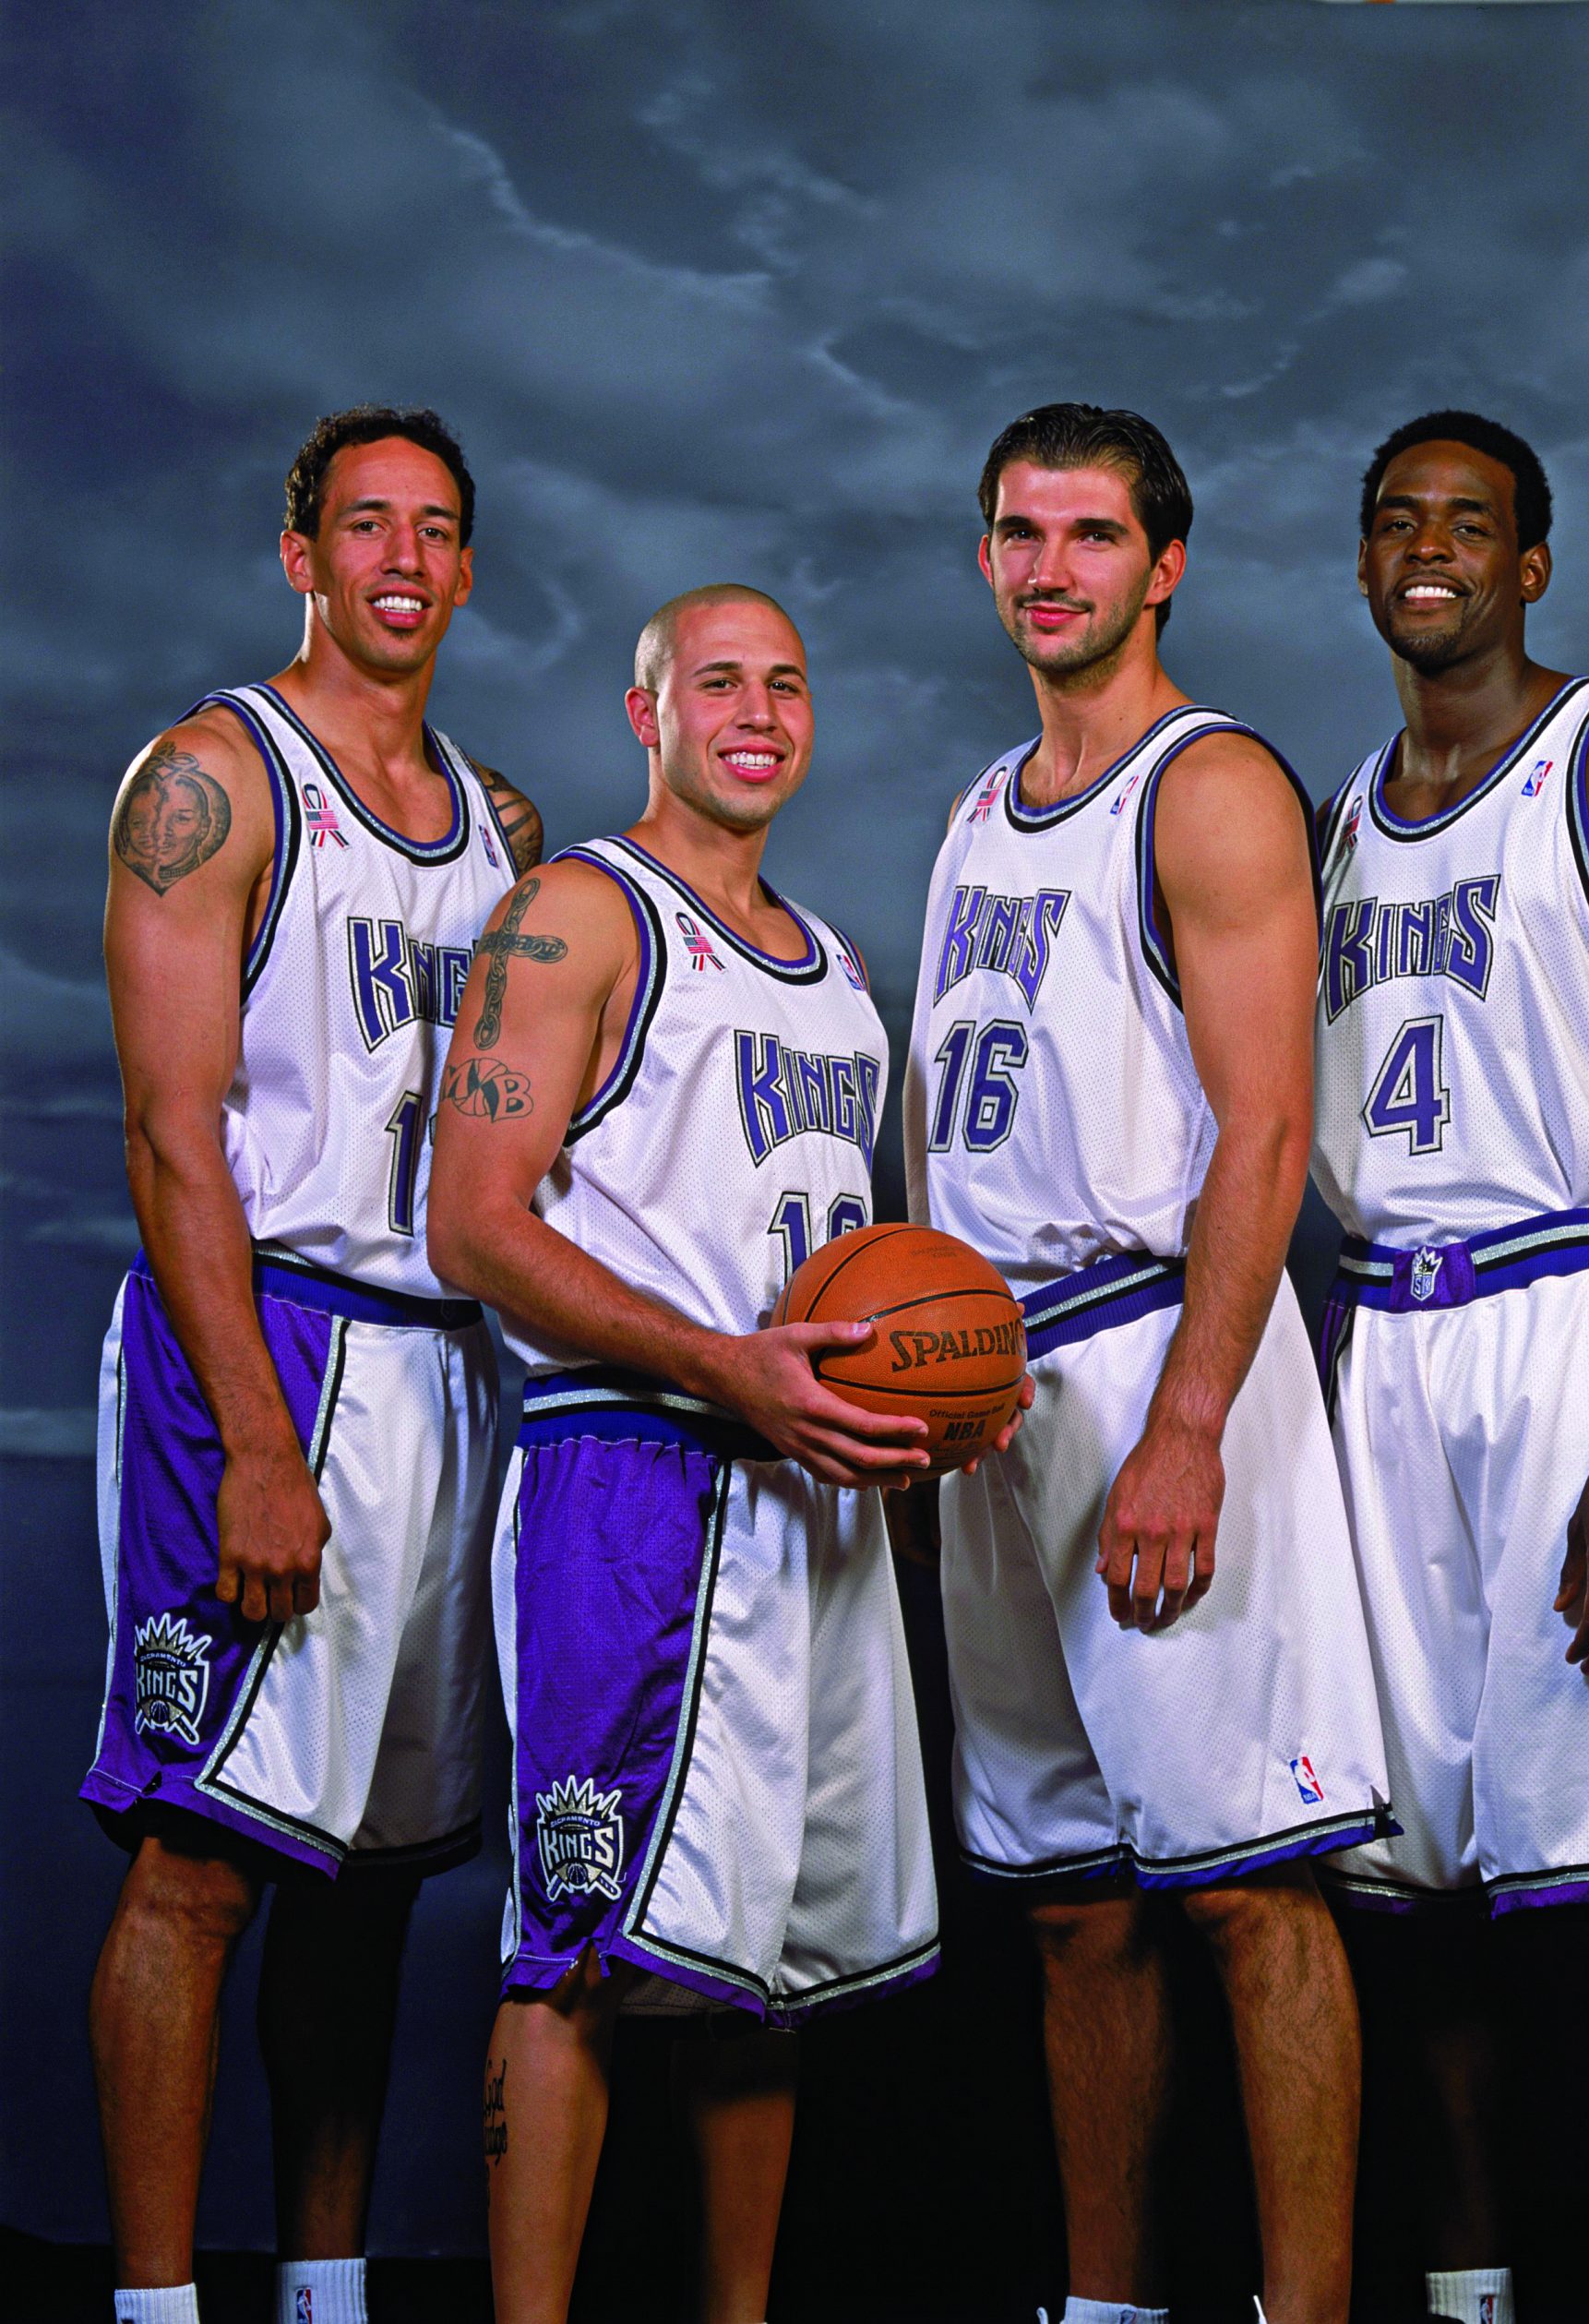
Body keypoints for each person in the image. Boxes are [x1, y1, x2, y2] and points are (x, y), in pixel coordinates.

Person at [904, 404, 1391, 2324]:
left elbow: (1263, 1132)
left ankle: (1303, 2305)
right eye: (1018, 533)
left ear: (1161, 563)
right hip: (988, 1392)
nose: (1050, 568)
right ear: (983, 559)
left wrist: (1190, 1423)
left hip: (1158, 1353)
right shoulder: (969, 810)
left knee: (1253, 1878)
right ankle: (1101, 2303)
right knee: (1069, 1897)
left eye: (1090, 535)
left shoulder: (1205, 787)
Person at [426, 584, 957, 2324]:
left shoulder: (845, 972)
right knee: (573, 1937)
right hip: (630, 1478)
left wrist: (934, 1389)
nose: (756, 709)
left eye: (786, 682)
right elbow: (474, 1224)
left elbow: (860, 1272)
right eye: (715, 681)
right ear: (644, 712)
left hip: (811, 1488)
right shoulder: (575, 913)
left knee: (772, 1968)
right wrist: (723, 1364)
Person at [1312, 412, 1589, 2324]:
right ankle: (1468, 2277)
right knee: (1405, 1873)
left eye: (1470, 524)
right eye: (1398, 522)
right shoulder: (1339, 807)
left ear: (1531, 562)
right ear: (1361, 562)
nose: (1432, 550)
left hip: (1579, 1320)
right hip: (1386, 1349)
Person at [86, 406, 536, 2324]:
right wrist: (257, 1442)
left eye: (435, 528)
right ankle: (158, 2301)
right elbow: (171, 1129)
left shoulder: (505, 827)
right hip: (254, 1338)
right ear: (301, 550)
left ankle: (328, 2286)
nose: (403, 560)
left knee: (363, 1866)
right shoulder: (211, 776)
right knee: (201, 1857)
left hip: (438, 1370)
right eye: (366, 524)